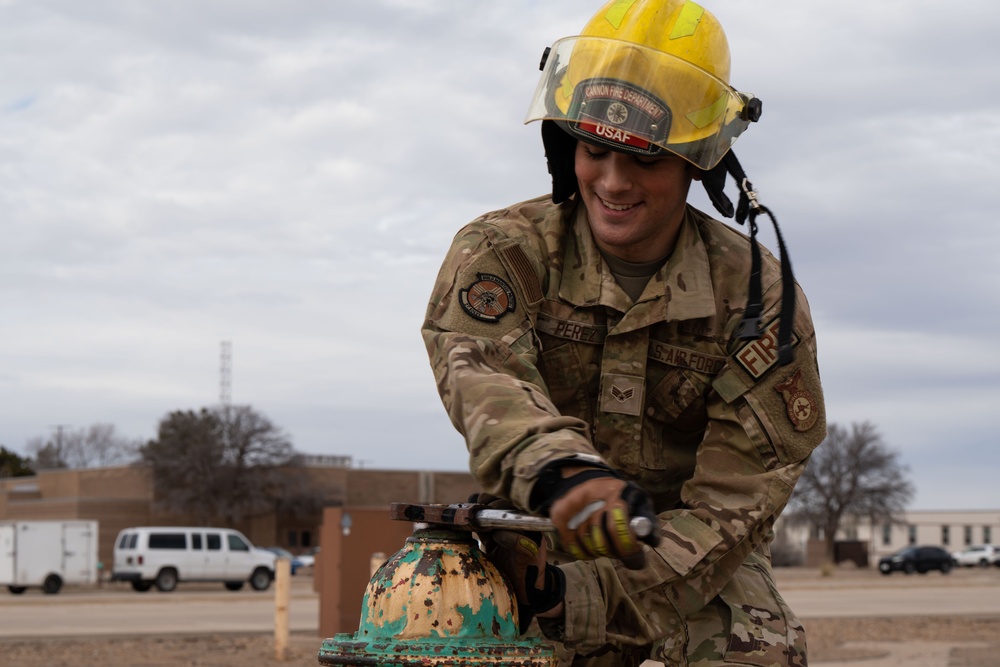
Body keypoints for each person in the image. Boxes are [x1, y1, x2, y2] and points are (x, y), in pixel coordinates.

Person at [421, 1, 825, 665]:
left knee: (755, 650)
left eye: (643, 159)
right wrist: (561, 472)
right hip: (531, 532)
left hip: (688, 555)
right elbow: (482, 374)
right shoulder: (503, 252)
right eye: (595, 149)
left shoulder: (759, 299)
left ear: (696, 161)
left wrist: (589, 597)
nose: (612, 181)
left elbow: (733, 506)